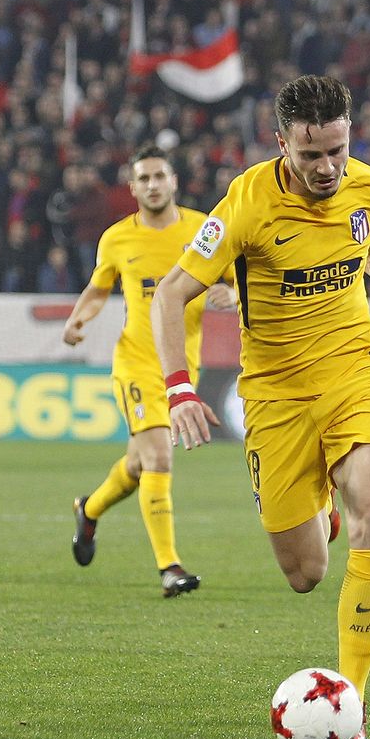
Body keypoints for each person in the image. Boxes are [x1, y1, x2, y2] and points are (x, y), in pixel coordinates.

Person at [152, 75, 370, 739]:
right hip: (276, 393)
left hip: (353, 371)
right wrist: (178, 388)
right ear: (281, 141)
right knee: (305, 573)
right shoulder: (247, 204)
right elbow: (171, 294)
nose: (327, 167)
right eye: (311, 154)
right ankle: (322, 503)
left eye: (337, 150)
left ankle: (352, 700)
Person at [62, 144, 237, 597]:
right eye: (144, 178)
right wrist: (79, 319)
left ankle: (90, 508)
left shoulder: (204, 230)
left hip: (182, 364)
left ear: (174, 181)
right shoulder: (117, 238)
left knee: (140, 466)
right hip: (136, 362)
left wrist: (232, 296)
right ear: (133, 186)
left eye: (160, 176)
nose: (153, 185)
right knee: (160, 456)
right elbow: (99, 288)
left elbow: (241, 280)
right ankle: (169, 567)